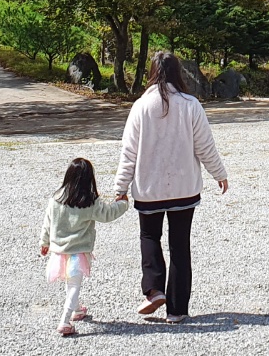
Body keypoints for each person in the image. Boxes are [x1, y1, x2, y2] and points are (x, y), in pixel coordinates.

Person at [113, 51, 229, 324]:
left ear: (152, 72)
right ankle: (177, 310)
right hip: (184, 188)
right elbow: (205, 147)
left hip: (148, 188)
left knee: (150, 237)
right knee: (180, 246)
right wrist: (219, 174)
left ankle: (154, 290)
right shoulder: (191, 104)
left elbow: (128, 153)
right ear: (178, 73)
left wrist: (120, 188)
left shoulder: (141, 106)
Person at [39, 157, 128, 337]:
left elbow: (47, 222)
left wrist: (44, 242)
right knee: (74, 285)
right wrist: (123, 203)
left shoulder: (56, 199)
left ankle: (77, 310)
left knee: (70, 281)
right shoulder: (89, 201)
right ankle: (64, 321)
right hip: (78, 251)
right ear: (89, 179)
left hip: (59, 251)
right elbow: (108, 214)